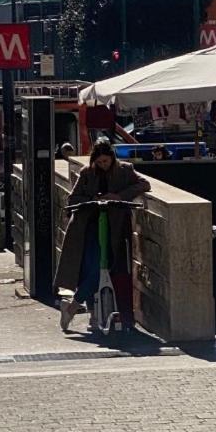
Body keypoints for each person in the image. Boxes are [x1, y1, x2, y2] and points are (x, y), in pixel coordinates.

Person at [54, 139, 150, 332]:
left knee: (102, 268)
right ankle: (90, 311)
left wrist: (119, 196)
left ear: (112, 159)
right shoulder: (87, 173)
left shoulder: (125, 170)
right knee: (92, 268)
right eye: (100, 162)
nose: (103, 165)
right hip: (89, 227)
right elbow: (73, 198)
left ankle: (73, 307)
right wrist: (93, 200)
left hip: (113, 229)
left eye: (106, 161)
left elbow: (144, 184)